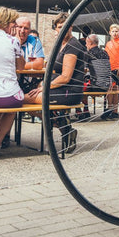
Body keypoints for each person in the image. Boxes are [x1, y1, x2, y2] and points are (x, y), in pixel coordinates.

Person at [0, 7, 36, 157]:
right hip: (10, 96)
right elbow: (20, 67)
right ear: (6, 23)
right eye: (13, 23)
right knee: (12, 108)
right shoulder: (13, 41)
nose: (15, 26)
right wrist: (18, 47)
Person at [27, 13, 85, 151]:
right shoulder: (61, 45)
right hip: (60, 89)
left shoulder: (73, 46)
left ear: (70, 27)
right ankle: (64, 127)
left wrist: (44, 87)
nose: (62, 29)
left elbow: (65, 77)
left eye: (65, 26)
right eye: (59, 27)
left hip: (70, 91)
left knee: (26, 99)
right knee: (28, 99)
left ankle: (63, 128)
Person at [15, 16, 45, 94]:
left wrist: (18, 65)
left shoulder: (34, 40)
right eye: (20, 27)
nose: (22, 31)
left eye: (26, 28)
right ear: (15, 28)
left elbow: (39, 64)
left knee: (43, 90)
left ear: (29, 31)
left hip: (28, 85)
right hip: (9, 83)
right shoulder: (8, 40)